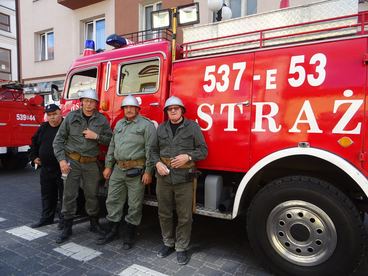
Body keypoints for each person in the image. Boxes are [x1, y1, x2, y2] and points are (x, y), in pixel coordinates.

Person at [152, 96, 208, 265]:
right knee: (164, 213)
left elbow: (203, 151)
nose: (173, 111)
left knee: (185, 216)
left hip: (185, 178)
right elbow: (152, 150)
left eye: (176, 108)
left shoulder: (192, 127)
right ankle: (168, 243)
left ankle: (181, 247)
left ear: (182, 110)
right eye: (170, 109)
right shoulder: (161, 129)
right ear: (167, 112)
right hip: (163, 178)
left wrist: (188, 156)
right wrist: (157, 163)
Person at [53, 88, 112, 244]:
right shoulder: (71, 117)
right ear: (81, 102)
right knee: (69, 195)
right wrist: (61, 160)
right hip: (72, 162)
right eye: (86, 101)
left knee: (92, 195)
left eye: (91, 101)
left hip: (91, 163)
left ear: (96, 104)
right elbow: (58, 140)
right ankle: (67, 226)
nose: (88, 104)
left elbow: (111, 140)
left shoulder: (101, 120)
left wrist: (97, 136)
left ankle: (94, 223)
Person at [97, 95, 156, 249]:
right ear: (123, 110)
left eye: (132, 107)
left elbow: (151, 150)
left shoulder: (146, 125)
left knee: (134, 204)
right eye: (126, 107)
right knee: (112, 200)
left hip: (136, 170)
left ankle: (129, 235)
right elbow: (112, 146)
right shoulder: (119, 124)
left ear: (138, 109)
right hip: (117, 169)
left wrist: (149, 171)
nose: (129, 110)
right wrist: (108, 165)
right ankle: (112, 230)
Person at [29, 104, 64, 229]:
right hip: (46, 168)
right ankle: (46, 218)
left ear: (60, 112)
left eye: (54, 114)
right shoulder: (43, 127)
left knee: (64, 195)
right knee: (47, 194)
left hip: (62, 168)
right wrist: (34, 157)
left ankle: (63, 221)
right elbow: (33, 142)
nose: (52, 118)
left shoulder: (66, 126)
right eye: (49, 115)